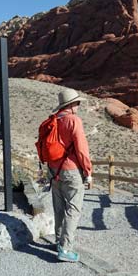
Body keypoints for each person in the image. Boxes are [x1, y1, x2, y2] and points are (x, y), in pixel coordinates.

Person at [49, 88, 92, 262]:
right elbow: (82, 150)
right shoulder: (73, 120)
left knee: (58, 208)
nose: (79, 106)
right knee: (73, 209)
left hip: (53, 170)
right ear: (72, 104)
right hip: (71, 170)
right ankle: (65, 250)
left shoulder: (53, 120)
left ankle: (59, 242)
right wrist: (88, 172)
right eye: (78, 103)